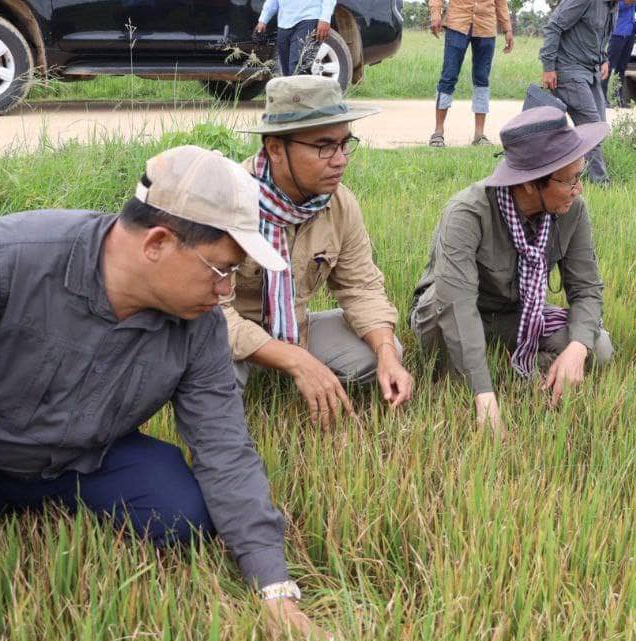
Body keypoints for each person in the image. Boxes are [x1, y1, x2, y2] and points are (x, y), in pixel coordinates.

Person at [0, 146, 327, 641]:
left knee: (188, 515)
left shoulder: (200, 326)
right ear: (158, 242)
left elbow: (225, 448)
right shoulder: (11, 254)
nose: (226, 290)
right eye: (220, 269)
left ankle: (33, 501)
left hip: (88, 460)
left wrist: (275, 589)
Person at [410, 107, 615, 434]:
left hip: (515, 314)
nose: (579, 189)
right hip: (451, 312)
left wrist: (577, 348)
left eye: (581, 174)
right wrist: (484, 396)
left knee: (598, 348)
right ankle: (479, 373)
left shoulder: (572, 211)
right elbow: (457, 305)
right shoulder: (467, 212)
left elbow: (587, 289)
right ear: (531, 184)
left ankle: (514, 365)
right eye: (571, 180)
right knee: (441, 325)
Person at [228, 76, 413, 427]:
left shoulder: (339, 204)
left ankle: (295, 366)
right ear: (275, 149)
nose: (341, 159)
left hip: (294, 328)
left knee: (382, 350)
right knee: (209, 364)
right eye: (324, 146)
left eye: (345, 144)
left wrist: (387, 354)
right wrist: (296, 361)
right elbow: (211, 315)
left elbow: (361, 289)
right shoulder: (228, 201)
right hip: (231, 335)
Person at [540, 0, 616, 185]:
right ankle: (600, 182)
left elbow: (598, 35)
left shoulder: (613, 5)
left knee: (599, 128)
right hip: (569, 70)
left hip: (590, 71)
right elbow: (554, 26)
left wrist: (603, 58)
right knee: (592, 127)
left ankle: (570, 173)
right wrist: (548, 67)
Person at [428, 0, 515, 147]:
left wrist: (508, 29)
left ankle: (479, 135)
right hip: (457, 24)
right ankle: (438, 132)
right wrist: (435, 13)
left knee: (482, 79)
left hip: (486, 27)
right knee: (449, 76)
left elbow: (501, 3)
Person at [255, 0, 335, 76]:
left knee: (297, 68)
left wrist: (325, 18)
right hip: (284, 23)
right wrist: (263, 20)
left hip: (309, 18)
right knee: (286, 71)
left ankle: (302, 89)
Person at [604, 0, 636, 109]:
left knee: (622, 68)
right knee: (608, 66)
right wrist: (631, 2)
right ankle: (602, 97)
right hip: (617, 34)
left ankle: (618, 98)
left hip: (629, 34)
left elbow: (632, 10)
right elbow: (615, 7)